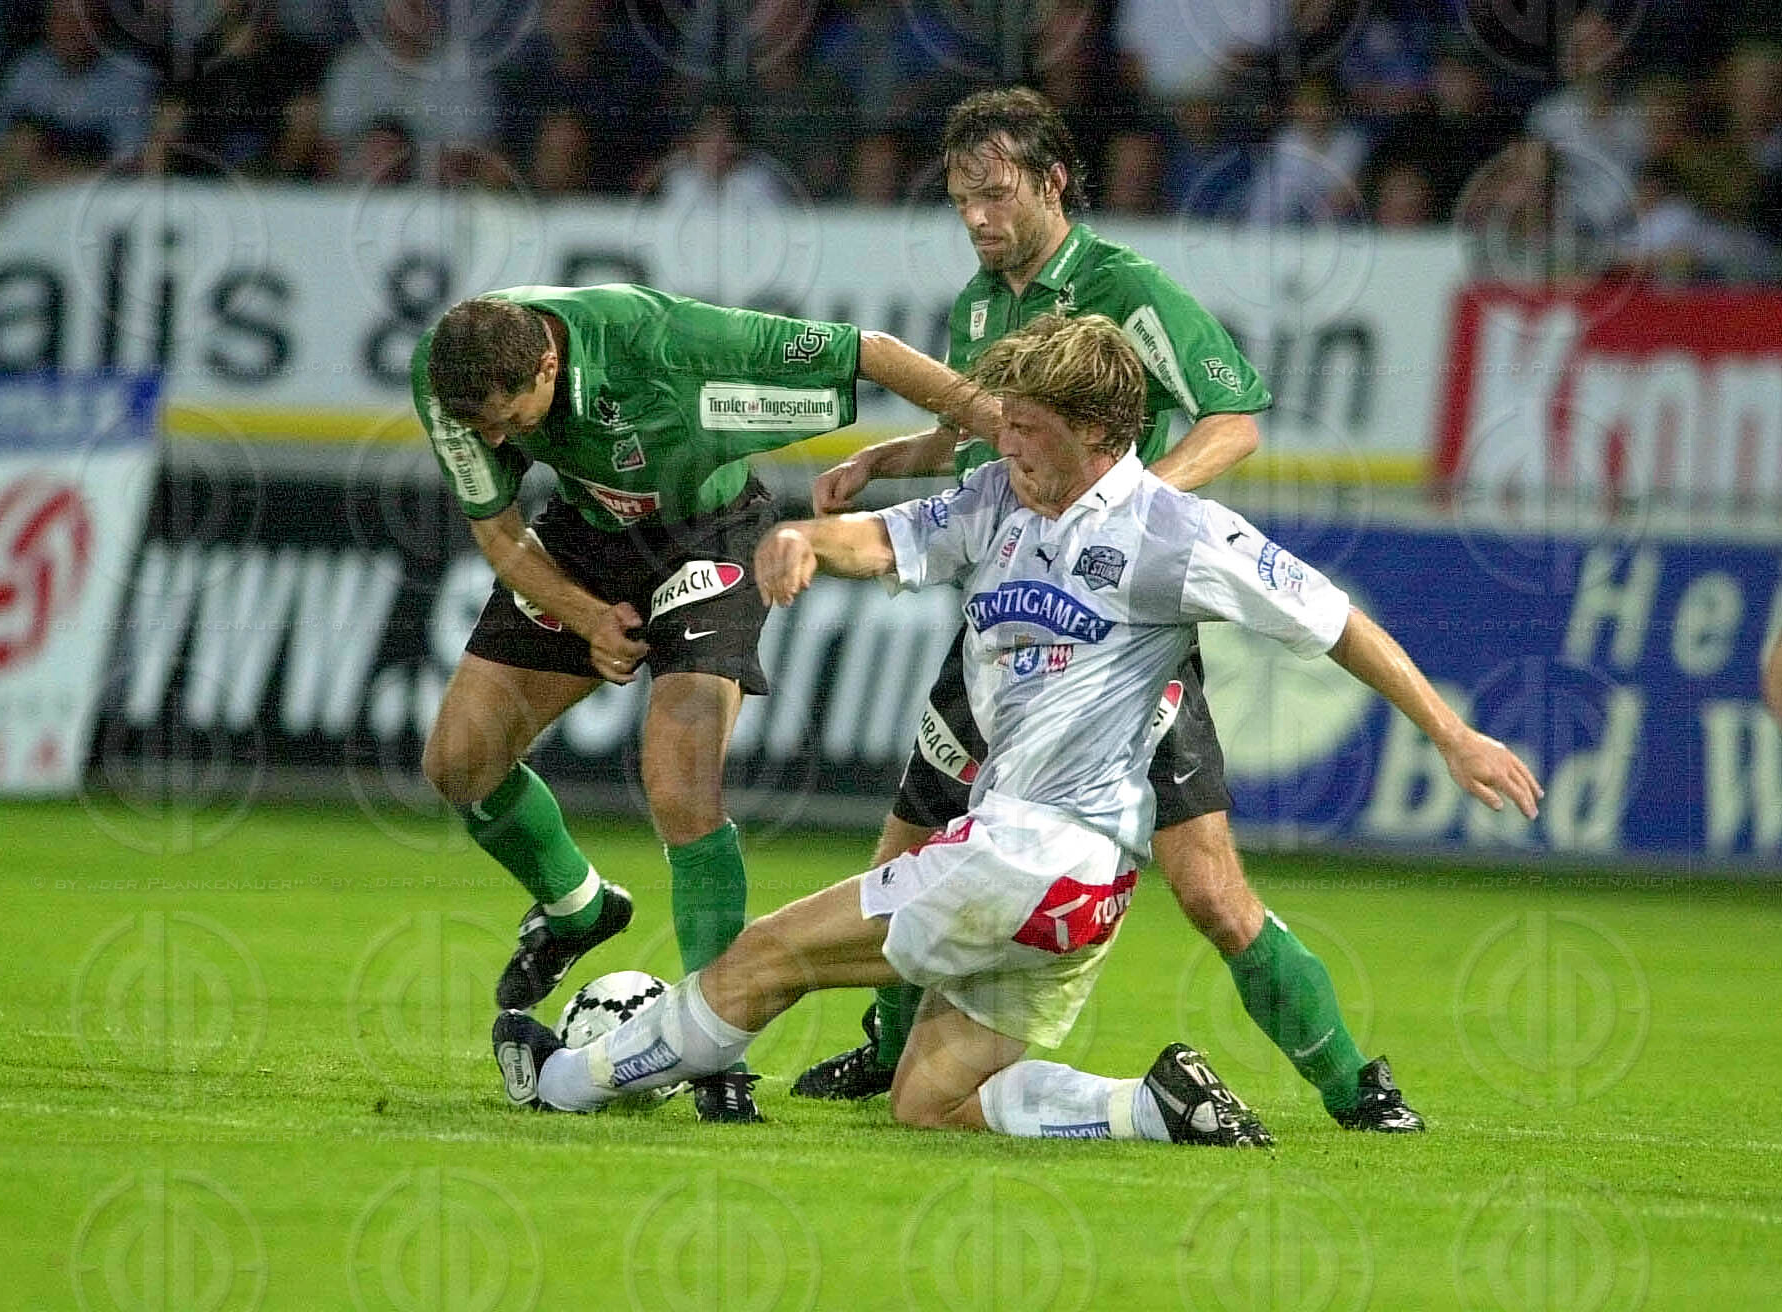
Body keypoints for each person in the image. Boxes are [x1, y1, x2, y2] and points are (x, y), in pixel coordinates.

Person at [490, 313, 1543, 1142]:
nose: (1006, 437)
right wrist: (809, 540)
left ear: (1101, 433)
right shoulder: (999, 495)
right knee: (931, 1100)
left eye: (1029, 425)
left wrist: (1451, 735)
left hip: (1026, 856)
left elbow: (1336, 621)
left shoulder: (1176, 533)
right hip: (1077, 895)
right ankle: (1154, 1107)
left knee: (765, 956)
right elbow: (888, 537)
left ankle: (562, 1081)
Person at [796, 85, 1426, 1134]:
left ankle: (1357, 1087)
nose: (977, 218)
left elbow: (1234, 418)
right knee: (905, 844)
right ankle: (889, 1045)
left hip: (1115, 643)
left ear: (1051, 182)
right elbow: (980, 434)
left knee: (1209, 890)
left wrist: (1130, 516)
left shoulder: (1125, 290)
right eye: (960, 200)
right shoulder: (980, 305)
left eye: (996, 195)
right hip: (1004, 625)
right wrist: (886, 458)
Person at [413, 284, 998, 1123]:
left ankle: (718, 1058)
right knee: (459, 764)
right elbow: (500, 532)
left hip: (708, 535)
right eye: (482, 426)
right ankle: (577, 908)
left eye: (509, 420)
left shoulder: (667, 343)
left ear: (546, 364)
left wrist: (999, 423)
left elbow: (866, 350)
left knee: (681, 787)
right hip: (581, 539)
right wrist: (587, 617)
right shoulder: (448, 378)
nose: (496, 439)